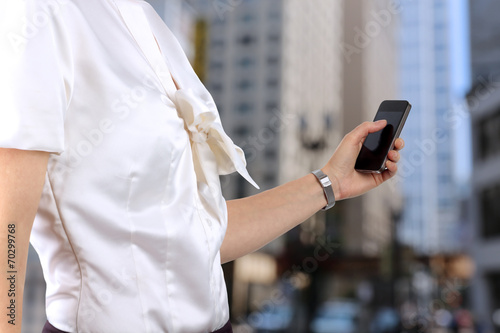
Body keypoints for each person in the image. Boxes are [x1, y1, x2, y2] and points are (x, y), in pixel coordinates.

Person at [0, 0, 404, 332]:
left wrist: (330, 181)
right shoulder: (38, 13)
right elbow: (7, 233)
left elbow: (197, 236)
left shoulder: (148, 22)